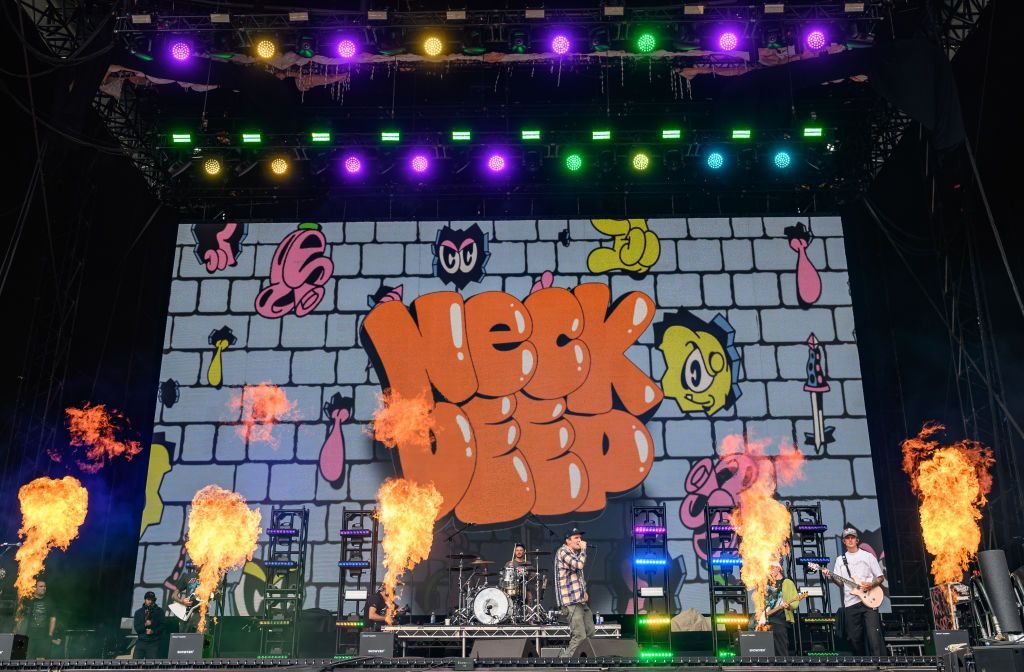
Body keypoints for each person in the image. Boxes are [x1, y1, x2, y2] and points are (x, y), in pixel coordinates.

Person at [821, 527, 885, 656]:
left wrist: (871, 585)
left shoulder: (868, 556)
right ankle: (862, 663)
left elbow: (880, 577)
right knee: (854, 638)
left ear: (857, 540)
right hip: (851, 603)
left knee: (873, 636)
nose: (850, 540)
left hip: (869, 601)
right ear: (844, 542)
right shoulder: (840, 560)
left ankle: (879, 664)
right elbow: (841, 584)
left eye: (852, 537)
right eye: (847, 538)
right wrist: (831, 576)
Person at [555, 528, 594, 657]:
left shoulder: (574, 553)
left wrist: (584, 591)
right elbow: (578, 565)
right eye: (576, 538)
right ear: (568, 541)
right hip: (570, 601)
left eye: (580, 538)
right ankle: (564, 662)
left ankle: (583, 660)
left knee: (590, 632)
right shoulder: (563, 551)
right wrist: (584, 550)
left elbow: (577, 576)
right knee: (579, 635)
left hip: (580, 599)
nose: (580, 540)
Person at [760, 562, 798, 656]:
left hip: (780, 619)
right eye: (769, 568)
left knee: (780, 649)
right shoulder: (767, 584)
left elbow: (795, 602)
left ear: (778, 568)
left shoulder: (787, 582)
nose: (770, 571)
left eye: (772, 568)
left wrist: (788, 606)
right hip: (767, 618)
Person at [17, 579, 58, 659]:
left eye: (44, 586)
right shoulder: (29, 601)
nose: (43, 588)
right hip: (30, 636)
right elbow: (21, 617)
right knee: (28, 659)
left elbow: (53, 618)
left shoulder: (49, 601)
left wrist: (50, 634)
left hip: (44, 636)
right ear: (35, 588)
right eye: (41, 586)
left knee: (42, 660)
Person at [133, 591, 164, 659]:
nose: (150, 601)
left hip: (153, 643)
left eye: (152, 600)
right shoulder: (138, 612)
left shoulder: (159, 611)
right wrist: (145, 624)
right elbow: (137, 628)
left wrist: (153, 631)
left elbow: (162, 626)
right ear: (145, 600)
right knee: (135, 664)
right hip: (141, 641)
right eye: (148, 599)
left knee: (151, 665)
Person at [171, 569, 202, 634]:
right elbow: (174, 595)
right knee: (183, 640)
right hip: (187, 613)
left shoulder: (211, 577)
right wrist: (182, 601)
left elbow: (216, 596)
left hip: (202, 614)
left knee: (201, 640)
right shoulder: (187, 576)